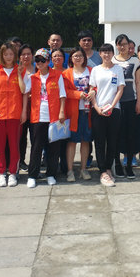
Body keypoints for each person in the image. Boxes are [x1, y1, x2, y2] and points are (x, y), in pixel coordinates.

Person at [0, 42, 28, 187]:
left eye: (11, 54)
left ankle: (12, 173)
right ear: (2, 56)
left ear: (15, 55)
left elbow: (24, 92)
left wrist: (24, 112)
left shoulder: (21, 70)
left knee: (14, 145)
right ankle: (0, 173)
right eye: (6, 54)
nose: (9, 57)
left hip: (15, 114)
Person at [26, 49, 67, 188]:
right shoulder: (32, 78)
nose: (39, 63)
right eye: (37, 60)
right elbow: (24, 92)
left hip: (54, 116)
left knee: (53, 148)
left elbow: (62, 95)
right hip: (37, 117)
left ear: (48, 61)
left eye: (43, 60)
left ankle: (51, 174)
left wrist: (62, 112)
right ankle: (32, 175)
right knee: (36, 147)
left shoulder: (57, 75)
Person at [89, 43, 125, 187]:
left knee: (112, 141)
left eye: (109, 52)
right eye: (103, 52)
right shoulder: (96, 70)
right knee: (99, 141)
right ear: (100, 54)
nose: (106, 54)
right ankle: (102, 170)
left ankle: (109, 168)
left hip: (114, 109)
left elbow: (120, 89)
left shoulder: (118, 69)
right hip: (98, 110)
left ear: (112, 53)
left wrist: (112, 105)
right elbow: (92, 90)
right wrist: (96, 107)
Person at [113, 34, 140, 178]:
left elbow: (138, 82)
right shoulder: (112, 60)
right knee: (117, 134)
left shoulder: (135, 61)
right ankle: (117, 165)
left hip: (131, 101)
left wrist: (139, 101)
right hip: (115, 103)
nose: (122, 47)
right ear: (116, 45)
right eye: (120, 44)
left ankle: (129, 164)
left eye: (125, 44)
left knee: (131, 134)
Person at [63, 47, 95, 181]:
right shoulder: (66, 73)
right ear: (71, 58)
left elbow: (96, 85)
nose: (77, 58)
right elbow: (65, 91)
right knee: (72, 141)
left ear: (84, 57)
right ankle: (70, 170)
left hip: (88, 111)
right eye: (75, 56)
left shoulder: (91, 71)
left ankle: (83, 169)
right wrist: (78, 94)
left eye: (80, 56)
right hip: (73, 112)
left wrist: (93, 91)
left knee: (86, 140)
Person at [17, 43, 35, 171]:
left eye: (29, 54)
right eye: (23, 54)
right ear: (19, 57)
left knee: (35, 138)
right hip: (20, 109)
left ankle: (35, 162)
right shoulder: (16, 71)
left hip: (35, 109)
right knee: (21, 137)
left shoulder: (38, 69)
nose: (26, 56)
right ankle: (21, 161)